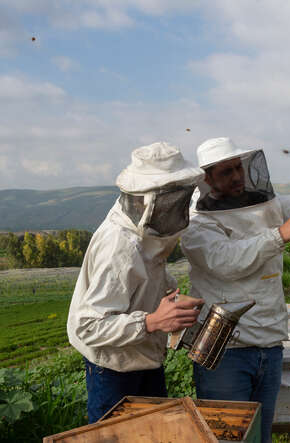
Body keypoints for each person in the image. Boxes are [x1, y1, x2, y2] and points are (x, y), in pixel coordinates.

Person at [181, 137, 290, 442]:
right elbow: (225, 261)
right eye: (225, 172)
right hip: (225, 350)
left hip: (269, 344)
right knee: (230, 438)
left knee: (260, 436)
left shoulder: (262, 202)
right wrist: (279, 235)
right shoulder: (196, 222)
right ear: (206, 178)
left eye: (238, 168)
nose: (236, 176)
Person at [67, 142, 205, 423]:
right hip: (114, 372)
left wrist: (172, 294)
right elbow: (88, 326)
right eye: (174, 197)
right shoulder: (119, 246)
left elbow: (146, 272)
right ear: (151, 197)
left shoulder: (143, 225)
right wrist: (152, 322)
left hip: (144, 358)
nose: (178, 205)